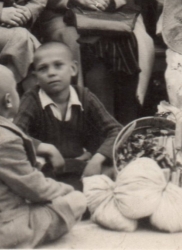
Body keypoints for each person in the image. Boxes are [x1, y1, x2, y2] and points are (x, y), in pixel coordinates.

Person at [0, 64, 87, 249]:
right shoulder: (4, 141)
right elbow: (36, 189)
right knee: (77, 200)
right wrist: (66, 189)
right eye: (16, 91)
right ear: (8, 100)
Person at [13, 42, 123, 186]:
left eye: (58, 65)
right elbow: (13, 135)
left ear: (73, 69)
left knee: (116, 176)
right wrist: (47, 149)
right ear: (36, 77)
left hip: (81, 166)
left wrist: (98, 159)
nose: (51, 73)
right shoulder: (32, 99)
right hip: (45, 170)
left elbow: (117, 130)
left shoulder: (84, 96)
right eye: (43, 69)